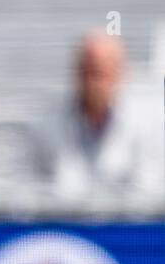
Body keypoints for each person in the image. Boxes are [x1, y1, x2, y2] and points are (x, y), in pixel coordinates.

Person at [28, 33, 163, 205]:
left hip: (124, 227)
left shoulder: (146, 124)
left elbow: (149, 189)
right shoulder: (45, 125)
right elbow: (27, 187)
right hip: (62, 225)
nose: (95, 83)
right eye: (89, 72)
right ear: (77, 73)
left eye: (102, 73)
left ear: (120, 73)